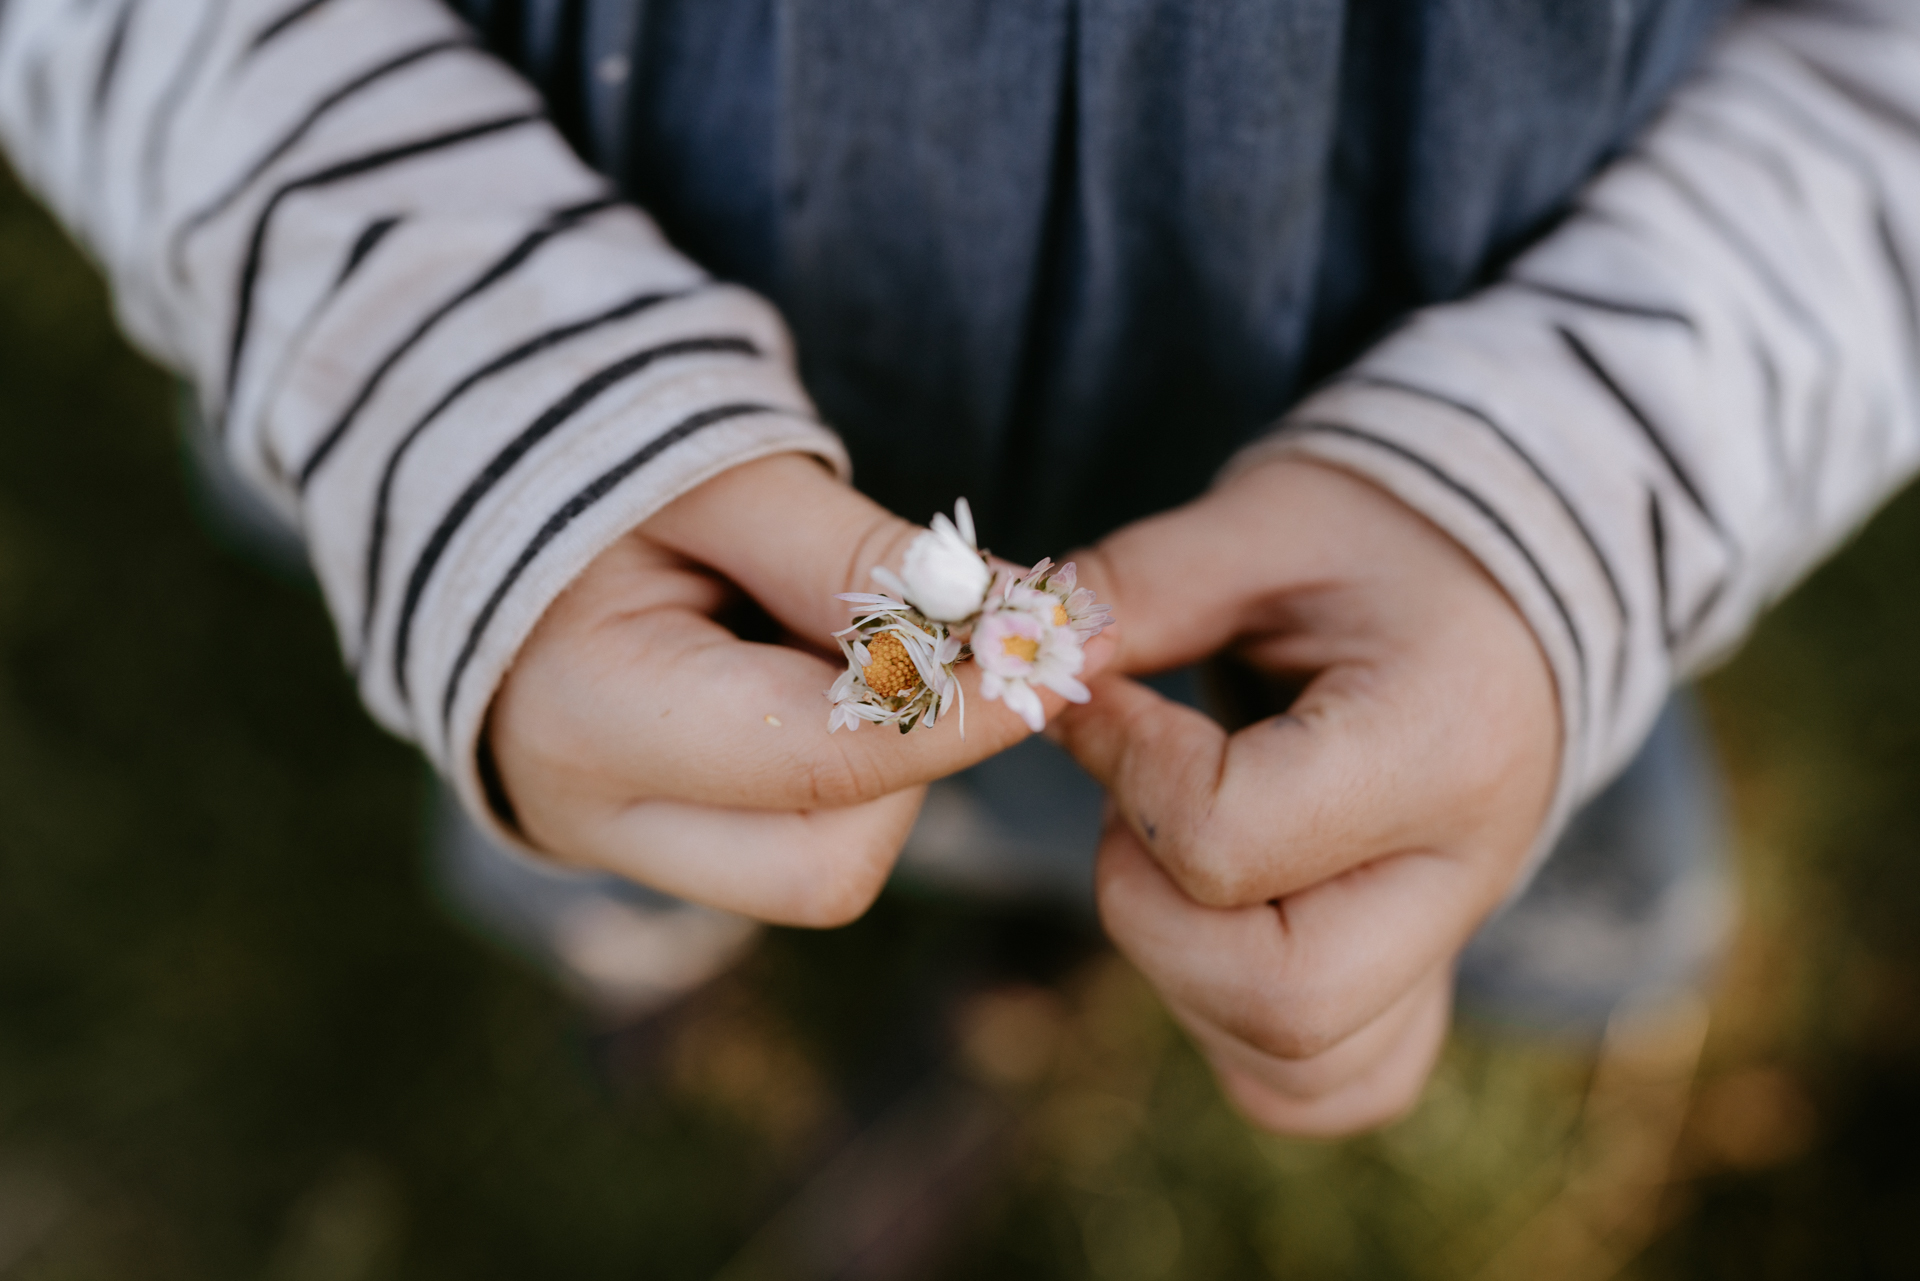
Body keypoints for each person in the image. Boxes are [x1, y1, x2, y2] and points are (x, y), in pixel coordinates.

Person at [0, 0, 1914, 1136]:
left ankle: (1485, 956)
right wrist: (449, 362)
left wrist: (1579, 480)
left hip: (1430, 481)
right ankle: (643, 923)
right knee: (626, 805)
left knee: (1462, 879)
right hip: (597, 454)